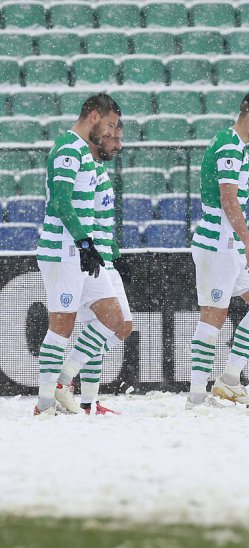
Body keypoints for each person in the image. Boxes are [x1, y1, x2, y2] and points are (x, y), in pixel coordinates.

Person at [187, 90, 249, 408]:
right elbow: (228, 200)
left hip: (229, 246)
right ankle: (196, 397)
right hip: (218, 243)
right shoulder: (230, 145)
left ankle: (229, 379)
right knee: (212, 318)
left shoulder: (234, 145)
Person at [35, 93, 130, 416]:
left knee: (115, 319)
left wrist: (95, 247)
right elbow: (60, 203)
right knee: (61, 326)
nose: (110, 133)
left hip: (81, 253)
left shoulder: (84, 154)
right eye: (110, 125)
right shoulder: (67, 148)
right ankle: (45, 404)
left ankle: (63, 382)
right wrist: (84, 243)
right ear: (93, 116)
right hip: (63, 251)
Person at [68, 121, 130, 415]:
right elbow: (84, 218)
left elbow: (103, 222)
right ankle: (65, 381)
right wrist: (88, 250)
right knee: (112, 324)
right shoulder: (86, 170)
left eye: (119, 137)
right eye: (112, 137)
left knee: (114, 326)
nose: (117, 144)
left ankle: (86, 400)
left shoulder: (99, 170)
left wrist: (116, 254)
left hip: (105, 257)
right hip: (94, 261)